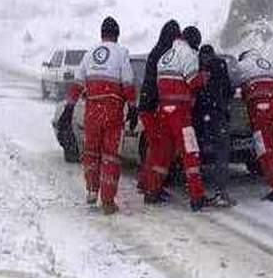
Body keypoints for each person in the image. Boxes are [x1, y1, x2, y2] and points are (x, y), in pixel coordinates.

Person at [66, 16, 136, 215]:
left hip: (92, 110)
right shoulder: (121, 52)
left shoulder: (89, 54)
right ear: (117, 35)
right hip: (112, 110)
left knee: (91, 152)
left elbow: (78, 84)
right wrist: (132, 106)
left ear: (101, 34)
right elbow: (128, 81)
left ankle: (91, 190)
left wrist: (69, 108)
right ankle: (107, 201)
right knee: (110, 156)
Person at [145, 24, 211, 212]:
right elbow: (192, 82)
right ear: (193, 42)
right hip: (181, 114)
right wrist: (204, 77)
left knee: (162, 154)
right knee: (190, 153)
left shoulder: (164, 56)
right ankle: (197, 197)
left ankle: (152, 191)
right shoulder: (188, 54)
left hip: (163, 111)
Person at [234, 49, 273, 202]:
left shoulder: (242, 65)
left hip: (260, 107)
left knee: (264, 148)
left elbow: (234, 86)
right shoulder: (268, 63)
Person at [136, 20, 180, 199]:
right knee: (161, 150)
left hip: (147, 105)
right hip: (154, 106)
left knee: (154, 147)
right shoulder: (166, 55)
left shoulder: (156, 51)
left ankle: (145, 183)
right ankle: (153, 191)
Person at [196, 43, 236, 207]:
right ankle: (221, 191)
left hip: (200, 117)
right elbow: (229, 89)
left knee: (197, 154)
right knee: (221, 153)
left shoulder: (197, 67)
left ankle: (197, 191)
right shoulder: (220, 64)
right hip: (218, 114)